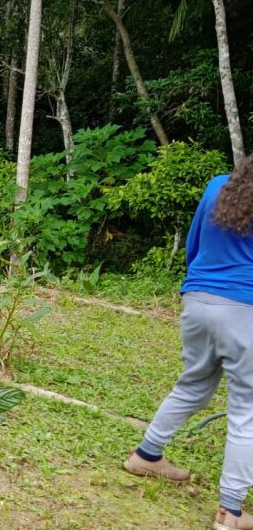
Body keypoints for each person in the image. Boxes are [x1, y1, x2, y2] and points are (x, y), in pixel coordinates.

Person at [123, 157, 253, 530]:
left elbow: (193, 245)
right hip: (244, 306)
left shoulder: (217, 186)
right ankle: (231, 512)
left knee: (193, 385)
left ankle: (146, 456)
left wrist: (200, 287)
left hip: (197, 298)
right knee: (247, 409)